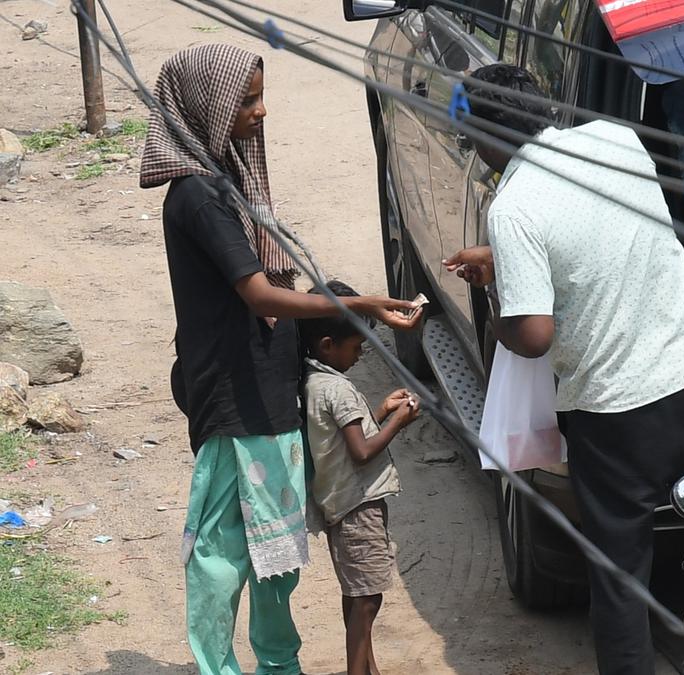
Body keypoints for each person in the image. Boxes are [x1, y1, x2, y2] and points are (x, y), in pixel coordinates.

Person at [443, 64, 684, 675]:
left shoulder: (513, 207)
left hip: (613, 414)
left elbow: (533, 337)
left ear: (485, 138)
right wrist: (506, 260)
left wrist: (498, 295)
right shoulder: (616, 139)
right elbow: (601, 236)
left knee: (620, 576)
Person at [140, 44, 423, 675]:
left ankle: (277, 664)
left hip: (269, 397)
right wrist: (368, 303)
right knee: (221, 555)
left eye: (261, 96)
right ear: (205, 109)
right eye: (245, 101)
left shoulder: (231, 179)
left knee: (276, 555)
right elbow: (262, 293)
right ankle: (218, 666)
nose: (261, 112)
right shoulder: (198, 195)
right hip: (233, 402)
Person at [299, 281, 419, 675]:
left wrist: (381, 411)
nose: (361, 353)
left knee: (356, 594)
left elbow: (343, 440)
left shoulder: (313, 382)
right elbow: (362, 451)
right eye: (356, 346)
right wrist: (398, 421)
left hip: (339, 504)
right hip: (359, 504)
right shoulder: (339, 389)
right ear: (327, 345)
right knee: (368, 599)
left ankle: (367, 668)